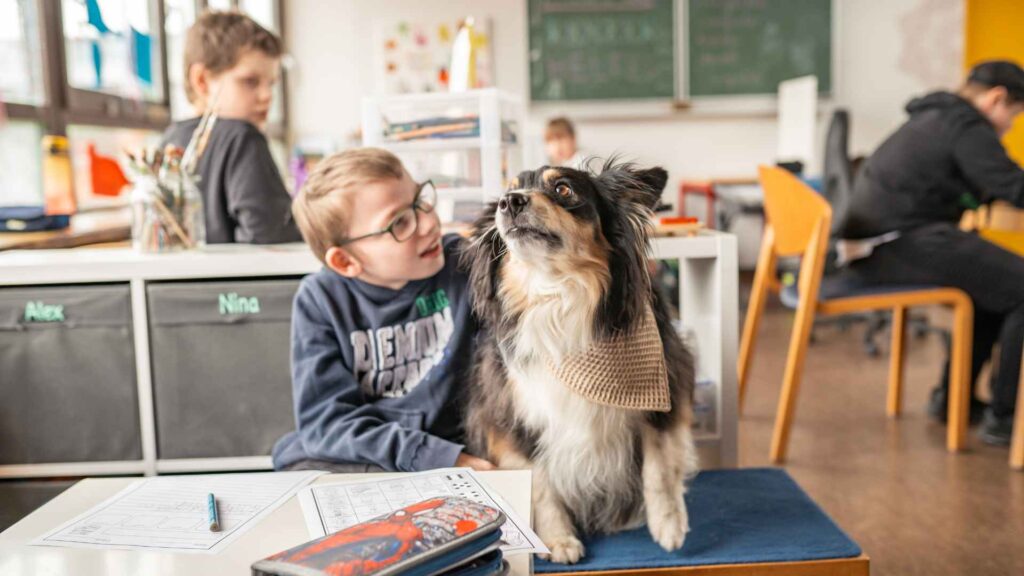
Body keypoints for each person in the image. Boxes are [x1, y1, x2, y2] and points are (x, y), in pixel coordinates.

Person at [271, 148, 494, 472]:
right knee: (299, 458)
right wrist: (430, 457)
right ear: (345, 261)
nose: (428, 223)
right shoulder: (320, 299)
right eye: (400, 222)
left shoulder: (463, 263)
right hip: (374, 452)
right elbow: (326, 422)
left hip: (460, 443)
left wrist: (455, 457)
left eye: (421, 200)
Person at [840, 60, 1024, 446]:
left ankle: (952, 401)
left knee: (991, 288)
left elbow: (980, 181)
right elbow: (1013, 185)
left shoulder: (934, 117)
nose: (1010, 127)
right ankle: (1005, 420)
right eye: (1015, 115)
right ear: (997, 99)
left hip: (879, 244)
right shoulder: (966, 125)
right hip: (905, 240)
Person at [161, 10, 301, 244]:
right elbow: (272, 233)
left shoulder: (170, 139)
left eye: (271, 84)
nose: (267, 96)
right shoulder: (243, 138)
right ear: (202, 81)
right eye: (250, 82)